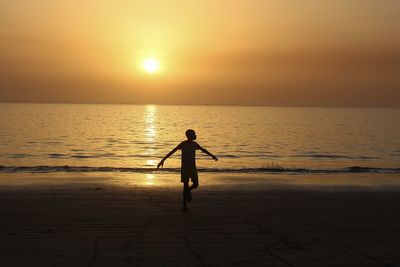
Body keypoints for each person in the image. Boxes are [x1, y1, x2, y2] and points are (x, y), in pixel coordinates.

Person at [157, 129, 218, 211]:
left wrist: (212, 155)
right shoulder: (183, 144)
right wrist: (163, 160)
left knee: (195, 184)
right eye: (194, 134)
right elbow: (172, 151)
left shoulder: (194, 144)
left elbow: (203, 150)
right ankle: (184, 206)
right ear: (189, 136)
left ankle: (188, 191)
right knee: (185, 185)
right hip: (185, 168)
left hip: (192, 167)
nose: (195, 135)